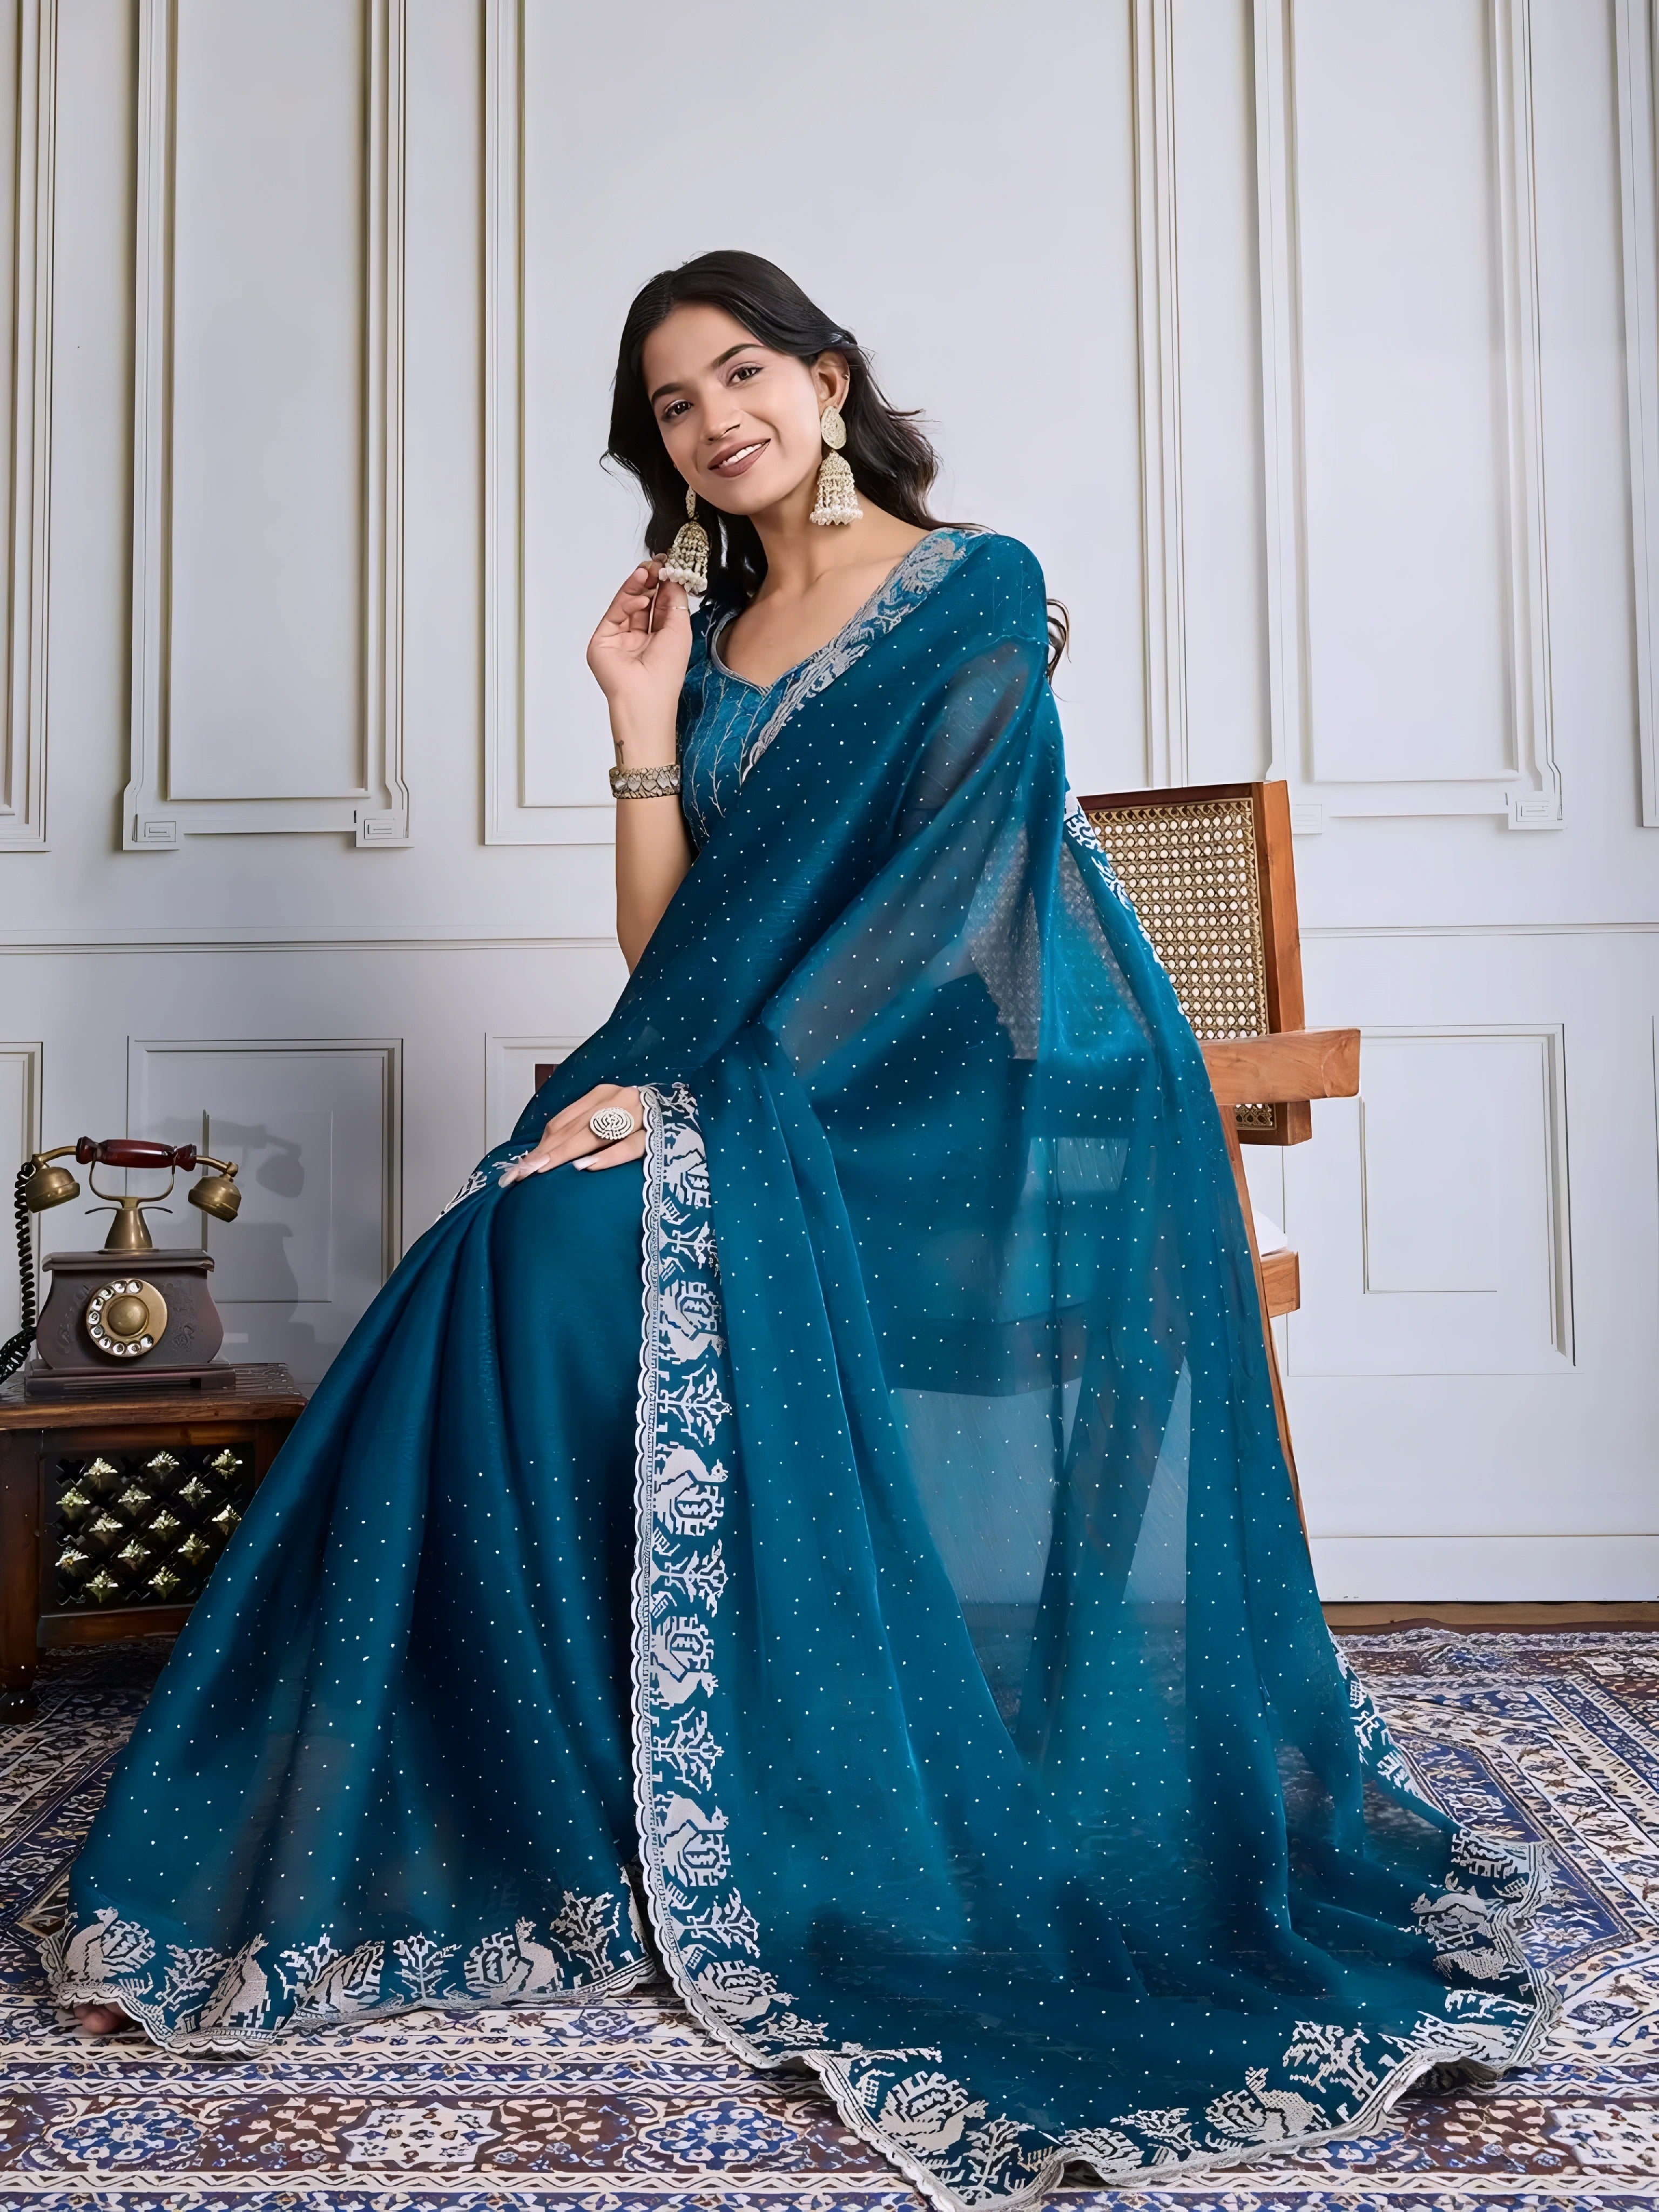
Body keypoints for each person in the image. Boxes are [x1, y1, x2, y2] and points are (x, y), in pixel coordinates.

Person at [44, 252, 1555, 2208]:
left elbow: (942, 920)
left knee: (565, 1251)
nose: (716, 420)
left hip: (930, 1118)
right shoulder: (726, 631)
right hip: (736, 1089)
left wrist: (687, 1106)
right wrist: (640, 714)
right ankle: (579, 1800)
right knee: (493, 1263)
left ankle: (685, 1775)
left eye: (742, 372)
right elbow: (669, 954)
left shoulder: (974, 588)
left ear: (830, 381)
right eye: (675, 405)